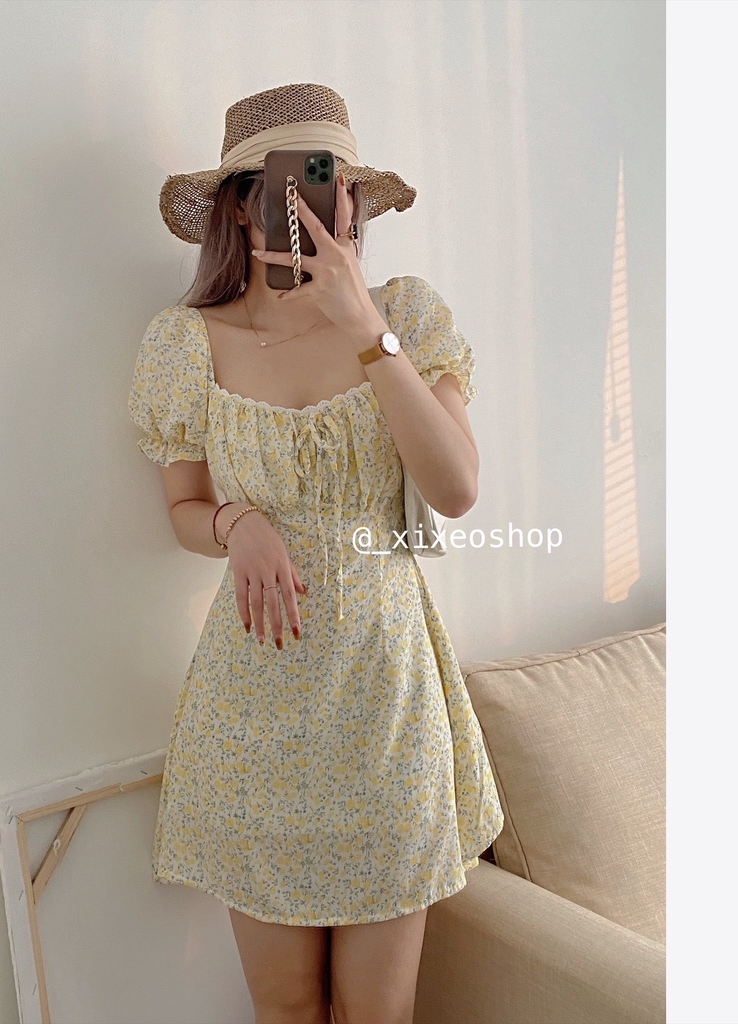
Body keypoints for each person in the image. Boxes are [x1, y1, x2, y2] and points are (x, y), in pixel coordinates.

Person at [128, 83, 504, 1024]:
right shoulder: (188, 343)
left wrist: (365, 329)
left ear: (354, 199)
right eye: (280, 185)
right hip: (254, 714)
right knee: (288, 1011)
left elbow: (456, 487)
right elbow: (183, 507)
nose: (309, 205)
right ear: (237, 206)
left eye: (329, 181)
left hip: (387, 709)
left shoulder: (404, 317)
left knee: (379, 1013)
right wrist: (236, 524)